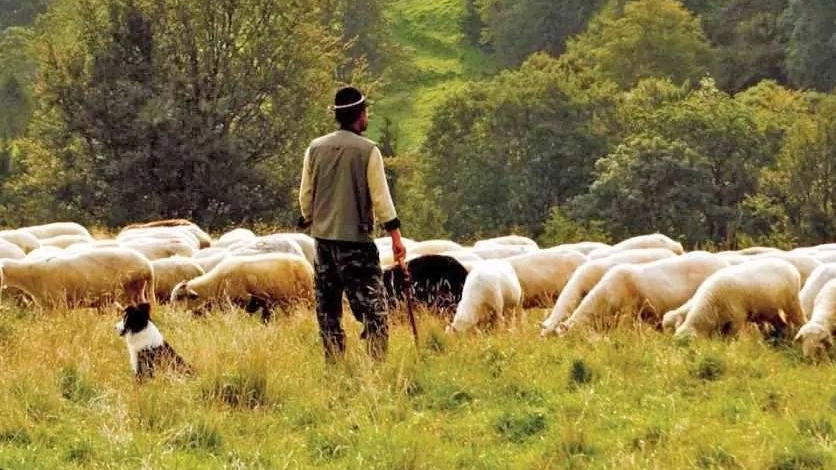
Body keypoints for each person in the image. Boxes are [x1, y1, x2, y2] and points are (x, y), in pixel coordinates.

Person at [298, 86, 407, 361]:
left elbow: (306, 195)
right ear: (360, 115)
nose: (367, 116)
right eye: (366, 111)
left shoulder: (315, 148)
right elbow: (381, 199)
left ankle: (334, 363)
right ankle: (376, 365)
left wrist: (312, 219)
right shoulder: (368, 151)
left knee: (328, 309)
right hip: (356, 245)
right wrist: (395, 237)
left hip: (323, 243)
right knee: (374, 309)